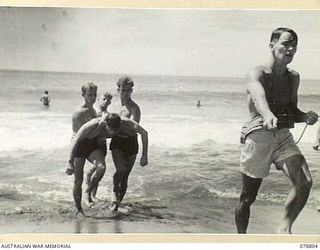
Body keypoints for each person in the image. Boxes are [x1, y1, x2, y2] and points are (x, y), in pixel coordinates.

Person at [235, 27, 318, 234]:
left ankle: (284, 229)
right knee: (247, 198)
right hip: (258, 136)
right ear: (272, 46)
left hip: (282, 137)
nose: (290, 49)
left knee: (304, 182)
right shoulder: (257, 73)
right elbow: (258, 97)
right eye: (286, 44)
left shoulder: (294, 77)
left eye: (294, 46)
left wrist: (305, 116)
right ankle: (240, 240)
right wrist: (267, 114)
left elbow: (292, 110)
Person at [66, 113, 148, 214]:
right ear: (106, 125)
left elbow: (143, 132)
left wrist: (144, 155)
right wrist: (69, 162)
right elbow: (76, 139)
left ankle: (89, 191)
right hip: (80, 145)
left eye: (116, 129)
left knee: (101, 168)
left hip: (92, 146)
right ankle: (79, 209)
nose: (113, 132)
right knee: (78, 180)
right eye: (111, 129)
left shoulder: (121, 124)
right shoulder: (94, 124)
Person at [109, 76, 142, 211]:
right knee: (120, 170)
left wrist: (119, 123)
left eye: (129, 90)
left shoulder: (134, 108)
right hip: (117, 141)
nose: (126, 92)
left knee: (125, 176)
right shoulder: (113, 107)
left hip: (131, 142)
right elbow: (107, 126)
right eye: (123, 90)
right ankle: (114, 192)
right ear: (118, 90)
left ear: (131, 91)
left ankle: (117, 204)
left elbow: (133, 129)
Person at [85, 92, 113, 199]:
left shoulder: (109, 115)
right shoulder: (94, 113)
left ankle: (93, 195)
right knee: (97, 168)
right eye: (103, 99)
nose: (105, 101)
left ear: (110, 102)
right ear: (98, 100)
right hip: (92, 143)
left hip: (102, 145)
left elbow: (110, 132)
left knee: (97, 170)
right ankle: (90, 193)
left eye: (108, 100)